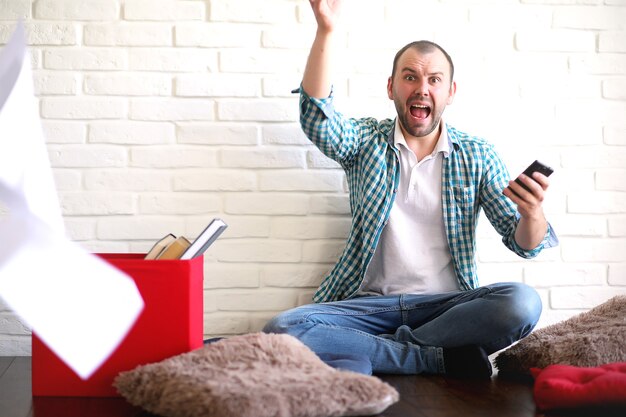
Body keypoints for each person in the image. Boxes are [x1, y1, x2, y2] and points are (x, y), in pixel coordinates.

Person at [263, 0, 558, 378]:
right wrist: (327, 31)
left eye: (434, 80)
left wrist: (532, 213)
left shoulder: (477, 154)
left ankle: (384, 352)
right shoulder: (365, 141)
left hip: (445, 308)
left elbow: (524, 244)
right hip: (367, 307)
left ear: (450, 92)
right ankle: (430, 358)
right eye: (410, 77)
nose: (422, 88)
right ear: (391, 87)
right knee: (284, 328)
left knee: (521, 302)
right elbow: (316, 117)